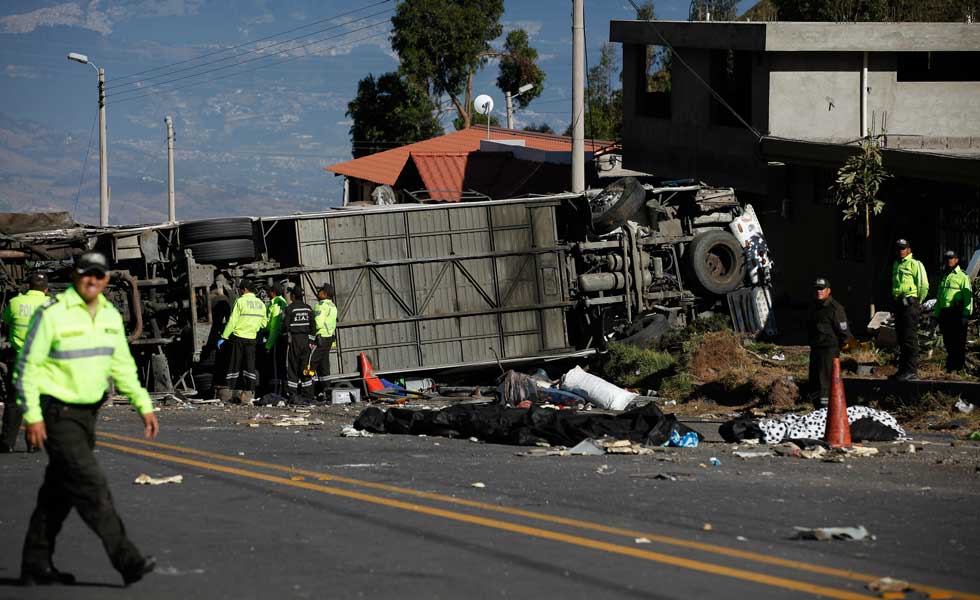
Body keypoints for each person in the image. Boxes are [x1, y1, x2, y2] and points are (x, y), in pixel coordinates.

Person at [14, 251, 158, 586]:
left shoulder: (108, 314)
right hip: (57, 413)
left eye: (98, 275)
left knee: (59, 492)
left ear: (106, 279)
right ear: (75, 276)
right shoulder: (53, 313)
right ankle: (128, 560)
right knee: (92, 486)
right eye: (85, 274)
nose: (92, 281)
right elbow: (27, 367)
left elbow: (121, 364)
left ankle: (35, 562)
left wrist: (143, 404)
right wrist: (32, 416)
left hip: (87, 415)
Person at [2, 272, 49, 453]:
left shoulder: (15, 303)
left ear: (28, 287)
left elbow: (6, 322)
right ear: (46, 289)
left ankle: (7, 443)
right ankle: (35, 443)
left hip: (19, 359)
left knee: (13, 402)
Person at [218, 280, 267, 405]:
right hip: (252, 338)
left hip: (239, 337)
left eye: (240, 289)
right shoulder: (260, 303)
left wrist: (224, 336)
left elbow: (233, 321)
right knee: (249, 366)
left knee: (235, 365)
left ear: (244, 290)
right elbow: (264, 323)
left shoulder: (240, 301)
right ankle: (249, 393)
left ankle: (232, 392)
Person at [806, 277, 854, 408]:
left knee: (825, 381)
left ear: (828, 291)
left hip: (828, 350)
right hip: (816, 348)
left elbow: (844, 330)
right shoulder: (814, 306)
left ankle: (825, 409)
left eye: (821, 289)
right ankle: (817, 407)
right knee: (814, 380)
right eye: (816, 289)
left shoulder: (835, 308)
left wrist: (845, 342)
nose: (818, 292)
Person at [890, 239, 929, 381]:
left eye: (903, 248)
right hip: (899, 303)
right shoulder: (896, 264)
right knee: (901, 338)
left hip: (911, 303)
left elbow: (923, 285)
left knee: (909, 338)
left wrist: (918, 302)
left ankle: (912, 371)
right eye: (899, 248)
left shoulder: (915, 264)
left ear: (909, 250)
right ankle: (903, 370)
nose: (901, 251)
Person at [934, 250, 973, 372]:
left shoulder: (962, 276)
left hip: (957, 312)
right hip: (945, 313)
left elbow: (968, 298)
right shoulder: (944, 275)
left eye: (952, 258)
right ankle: (950, 366)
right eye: (947, 258)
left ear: (956, 260)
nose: (949, 260)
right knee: (948, 340)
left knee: (959, 341)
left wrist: (966, 315)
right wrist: (937, 313)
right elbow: (939, 296)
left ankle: (958, 367)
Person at [283, 287, 316, 404]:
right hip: (306, 341)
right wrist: (311, 342)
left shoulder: (289, 309)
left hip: (294, 341)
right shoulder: (308, 309)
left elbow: (285, 326)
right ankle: (308, 394)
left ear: (293, 296)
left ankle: (292, 394)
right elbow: (313, 326)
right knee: (305, 367)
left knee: (292, 367)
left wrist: (286, 338)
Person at [312, 283, 338, 398]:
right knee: (324, 366)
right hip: (328, 338)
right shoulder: (333, 306)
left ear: (325, 294)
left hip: (320, 338)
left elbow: (318, 323)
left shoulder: (321, 305)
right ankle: (325, 391)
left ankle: (309, 391)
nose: (318, 293)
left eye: (320, 291)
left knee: (311, 363)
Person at [261, 284, 288, 395]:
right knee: (280, 365)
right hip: (279, 338)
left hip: (277, 339)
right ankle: (280, 391)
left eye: (269, 292)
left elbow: (275, 327)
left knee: (277, 366)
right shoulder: (280, 302)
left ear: (273, 292)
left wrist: (268, 345)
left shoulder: (277, 303)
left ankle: (277, 392)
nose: (267, 294)